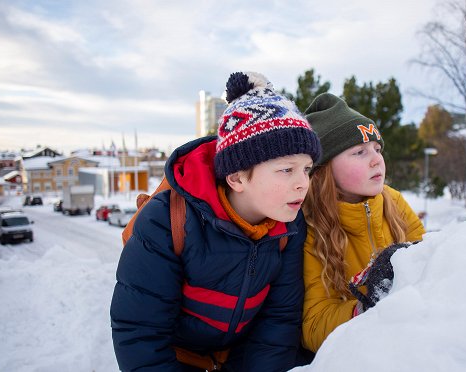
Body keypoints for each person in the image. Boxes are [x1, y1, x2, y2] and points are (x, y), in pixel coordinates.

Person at [110, 71, 322, 371]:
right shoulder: (168, 220)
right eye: (287, 170)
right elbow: (139, 333)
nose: (303, 184)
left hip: (238, 355)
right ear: (237, 177)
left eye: (307, 169)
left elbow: (278, 320)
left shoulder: (288, 225)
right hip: (178, 357)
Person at [300, 93, 426, 353]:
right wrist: (366, 303)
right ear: (324, 169)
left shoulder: (393, 202)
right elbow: (312, 328)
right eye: (359, 152)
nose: (376, 159)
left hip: (414, 344)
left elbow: (433, 265)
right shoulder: (309, 227)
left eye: (377, 149)